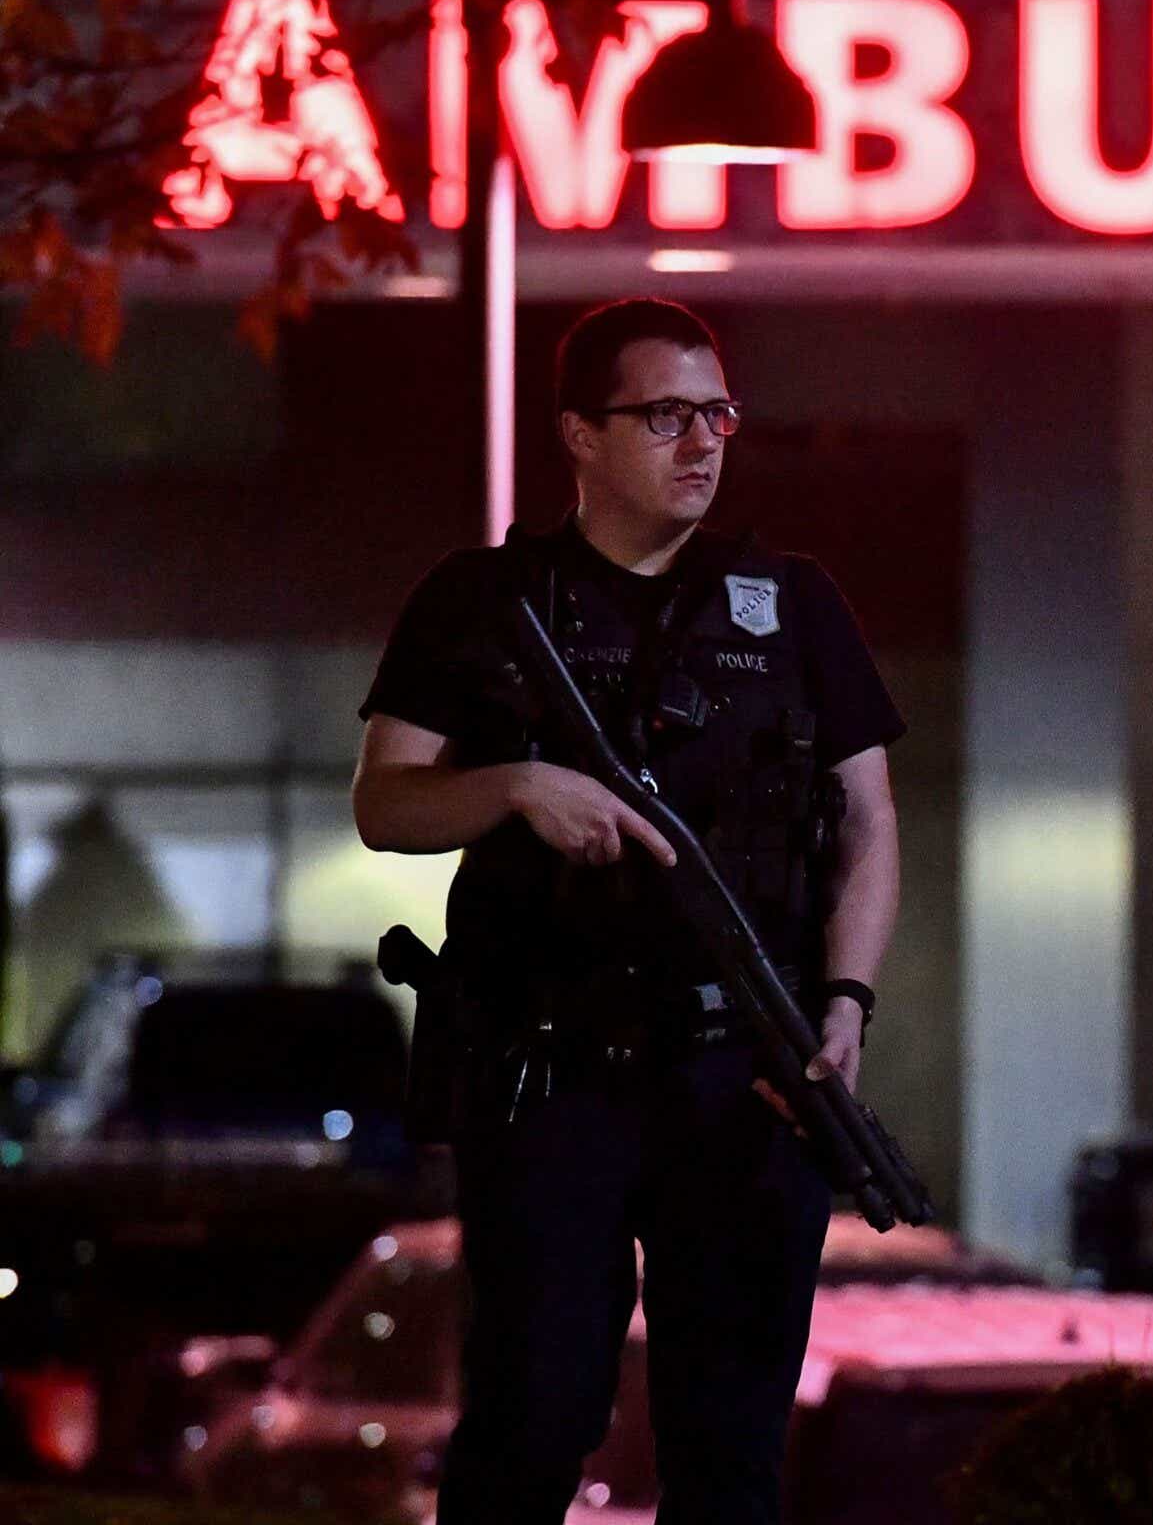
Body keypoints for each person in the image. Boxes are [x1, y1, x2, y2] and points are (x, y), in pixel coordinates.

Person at [350, 297, 904, 1525]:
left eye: (717, 413)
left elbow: (867, 822)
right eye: (665, 415)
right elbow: (386, 802)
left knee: (732, 1449)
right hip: (553, 1075)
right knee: (534, 1423)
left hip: (747, 1075)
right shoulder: (485, 601)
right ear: (580, 436)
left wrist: (847, 1003)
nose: (703, 441)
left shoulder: (792, 603)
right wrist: (514, 788)